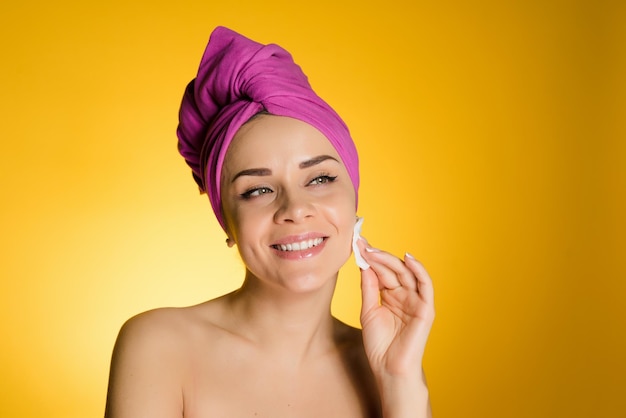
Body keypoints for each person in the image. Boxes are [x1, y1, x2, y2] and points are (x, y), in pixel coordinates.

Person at [105, 26, 435, 418]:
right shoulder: (158, 346)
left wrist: (400, 381)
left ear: (353, 199)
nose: (295, 208)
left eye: (320, 179)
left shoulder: (385, 363)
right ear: (226, 222)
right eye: (258, 190)